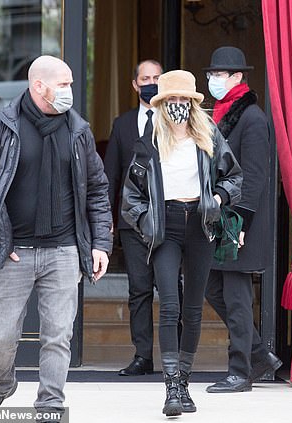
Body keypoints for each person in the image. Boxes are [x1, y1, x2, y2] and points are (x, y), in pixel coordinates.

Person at [0, 55, 112, 422]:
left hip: (63, 251)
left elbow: (97, 190)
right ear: (38, 87)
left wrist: (101, 244)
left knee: (58, 336)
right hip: (14, 252)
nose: (70, 91)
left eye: (71, 84)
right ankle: (0, 385)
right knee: (1, 337)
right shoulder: (2, 126)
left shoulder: (78, 131)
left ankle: (49, 406)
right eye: (63, 85)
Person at [121, 70, 242, 416]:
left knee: (192, 309)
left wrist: (218, 198)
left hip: (201, 225)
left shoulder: (210, 137)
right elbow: (131, 195)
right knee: (170, 306)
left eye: (182, 100)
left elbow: (234, 177)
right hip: (167, 228)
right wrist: (148, 221)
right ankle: (171, 387)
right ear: (161, 104)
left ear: (192, 103)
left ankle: (185, 382)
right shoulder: (150, 141)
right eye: (170, 100)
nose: (177, 106)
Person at [203, 46, 282, 393]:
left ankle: (241, 371)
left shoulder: (251, 118)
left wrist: (241, 226)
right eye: (211, 75)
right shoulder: (220, 114)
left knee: (235, 298)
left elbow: (254, 176)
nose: (212, 80)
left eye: (219, 75)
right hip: (221, 221)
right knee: (210, 288)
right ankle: (259, 354)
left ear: (237, 78)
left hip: (238, 223)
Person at [104, 59, 183, 376]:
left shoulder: (179, 121)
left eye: (156, 78)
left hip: (169, 218)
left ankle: (173, 359)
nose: (150, 82)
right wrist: (106, 216)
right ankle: (143, 356)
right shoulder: (122, 124)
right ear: (135, 84)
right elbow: (111, 173)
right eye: (145, 78)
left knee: (170, 289)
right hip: (132, 221)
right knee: (138, 290)